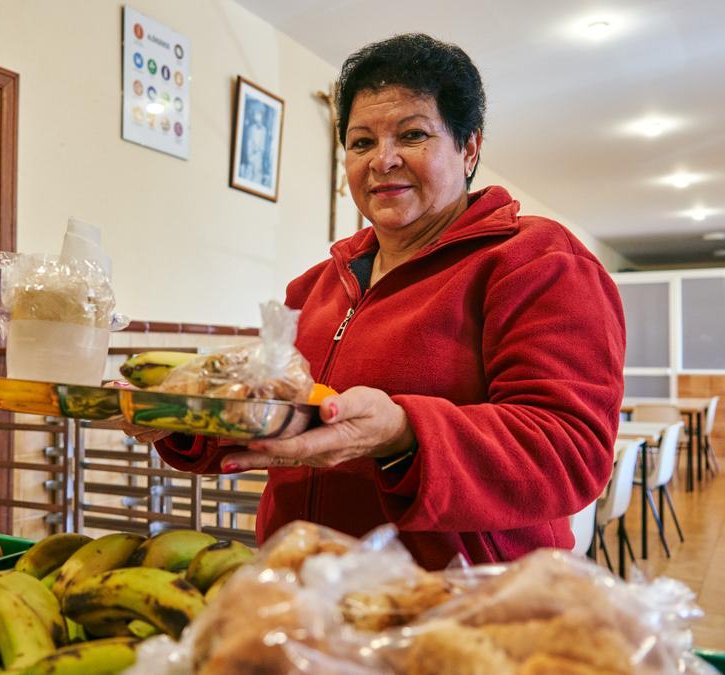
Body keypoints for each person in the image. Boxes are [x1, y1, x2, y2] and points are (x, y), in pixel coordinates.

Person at [135, 33, 625, 570]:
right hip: (305, 589)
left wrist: (402, 433)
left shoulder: (537, 261)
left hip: (460, 605)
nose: (382, 161)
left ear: (469, 149)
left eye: (412, 135)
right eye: (361, 142)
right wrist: (182, 418)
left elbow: (570, 452)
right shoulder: (315, 287)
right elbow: (282, 422)